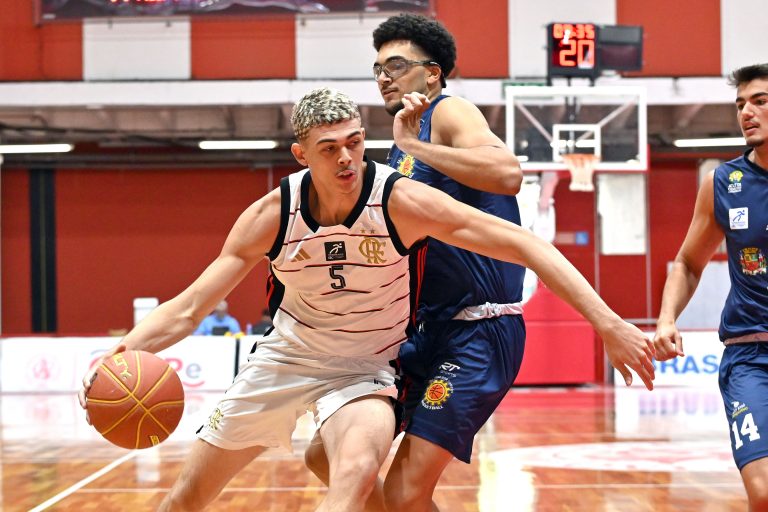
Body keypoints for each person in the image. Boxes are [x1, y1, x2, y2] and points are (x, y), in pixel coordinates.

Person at [79, 86, 654, 512]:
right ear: (301, 154)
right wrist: (118, 354)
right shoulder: (271, 215)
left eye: (354, 143)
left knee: (354, 473)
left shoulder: (399, 202)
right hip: (285, 360)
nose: (346, 159)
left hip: (365, 369)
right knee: (185, 498)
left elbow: (525, 244)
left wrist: (608, 324)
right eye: (329, 148)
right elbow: (188, 308)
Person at [306, 12, 530, 512]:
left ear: (432, 74)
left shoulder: (449, 112)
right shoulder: (403, 142)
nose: (383, 77)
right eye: (378, 69)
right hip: (423, 330)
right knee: (326, 455)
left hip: (477, 329)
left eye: (396, 66)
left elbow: (507, 173)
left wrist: (412, 145)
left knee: (407, 491)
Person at [654, 63, 768, 510]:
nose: (747, 113)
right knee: (763, 492)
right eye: (740, 104)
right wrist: (667, 319)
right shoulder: (723, 183)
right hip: (750, 355)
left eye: (760, 101)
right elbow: (687, 262)